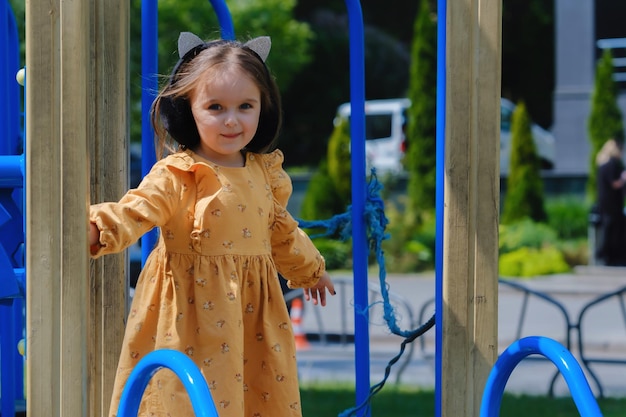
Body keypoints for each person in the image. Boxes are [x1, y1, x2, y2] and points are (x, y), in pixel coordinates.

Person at [89, 32, 336, 417]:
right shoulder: (179, 173)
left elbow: (281, 230)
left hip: (253, 316)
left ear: (263, 108)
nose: (232, 120)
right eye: (216, 107)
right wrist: (98, 228)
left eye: (245, 106)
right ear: (189, 108)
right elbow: (137, 209)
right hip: (191, 314)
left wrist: (311, 270)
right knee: (186, 400)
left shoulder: (262, 173)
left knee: (258, 395)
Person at [595, 138, 626, 266]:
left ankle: (604, 255)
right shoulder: (612, 164)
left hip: (605, 203)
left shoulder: (603, 165)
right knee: (613, 230)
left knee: (608, 229)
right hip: (612, 204)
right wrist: (623, 178)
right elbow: (614, 183)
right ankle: (607, 255)